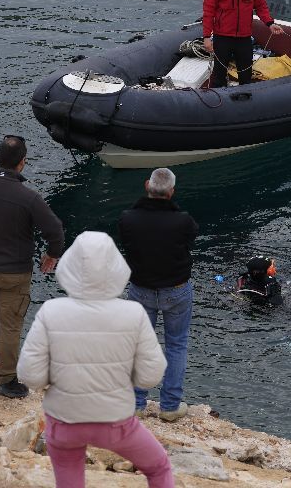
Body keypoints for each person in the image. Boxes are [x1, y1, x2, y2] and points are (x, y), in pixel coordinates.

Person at [18, 232, 172, 488]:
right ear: (116, 268)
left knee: (69, 476)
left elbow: (30, 374)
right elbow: (151, 375)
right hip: (116, 421)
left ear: (69, 267)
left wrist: (56, 380)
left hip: (64, 420)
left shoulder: (51, 311)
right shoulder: (133, 313)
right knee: (159, 467)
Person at [0, 135, 65, 399]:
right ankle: (7, 379)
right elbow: (55, 230)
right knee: (10, 325)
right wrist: (52, 254)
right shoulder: (28, 198)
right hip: (14, 272)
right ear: (22, 163)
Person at [117, 168, 198, 421]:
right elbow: (191, 239)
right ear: (171, 192)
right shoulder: (183, 220)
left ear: (146, 186)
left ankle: (137, 404)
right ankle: (170, 406)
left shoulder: (128, 218)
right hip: (176, 290)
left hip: (141, 289)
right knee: (176, 344)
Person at [202, 0, 285, 88]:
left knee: (246, 76)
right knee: (219, 76)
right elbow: (208, 11)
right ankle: (218, 98)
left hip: (244, 38)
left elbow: (261, 7)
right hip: (222, 37)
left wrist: (270, 23)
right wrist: (206, 37)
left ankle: (244, 97)